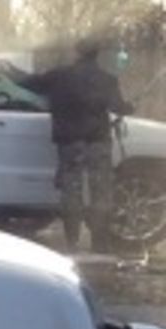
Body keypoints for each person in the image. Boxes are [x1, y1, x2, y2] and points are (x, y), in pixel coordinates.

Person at [22, 38, 133, 252]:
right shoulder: (107, 79)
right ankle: (99, 243)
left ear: (77, 53)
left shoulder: (60, 76)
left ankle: (72, 241)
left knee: (71, 191)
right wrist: (131, 107)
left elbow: (31, 84)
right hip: (98, 142)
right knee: (100, 192)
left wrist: (10, 70)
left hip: (70, 142)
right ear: (97, 54)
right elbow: (120, 107)